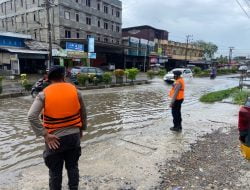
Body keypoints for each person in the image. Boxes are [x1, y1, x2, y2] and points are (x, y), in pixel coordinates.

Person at [28, 65, 87, 190]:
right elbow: (83, 113)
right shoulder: (76, 91)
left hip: (54, 139)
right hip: (73, 136)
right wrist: (81, 130)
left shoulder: (43, 94)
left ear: (49, 79)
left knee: (55, 172)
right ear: (63, 76)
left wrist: (45, 134)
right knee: (72, 167)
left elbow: (31, 116)